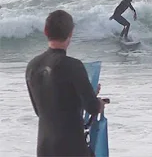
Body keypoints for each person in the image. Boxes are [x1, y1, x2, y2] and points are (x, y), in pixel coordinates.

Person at [26, 10, 106, 157]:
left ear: (45, 31)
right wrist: (98, 102)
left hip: (45, 148)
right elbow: (93, 108)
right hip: (72, 147)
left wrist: (87, 95)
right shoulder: (74, 66)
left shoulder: (32, 66)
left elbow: (42, 110)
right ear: (71, 33)